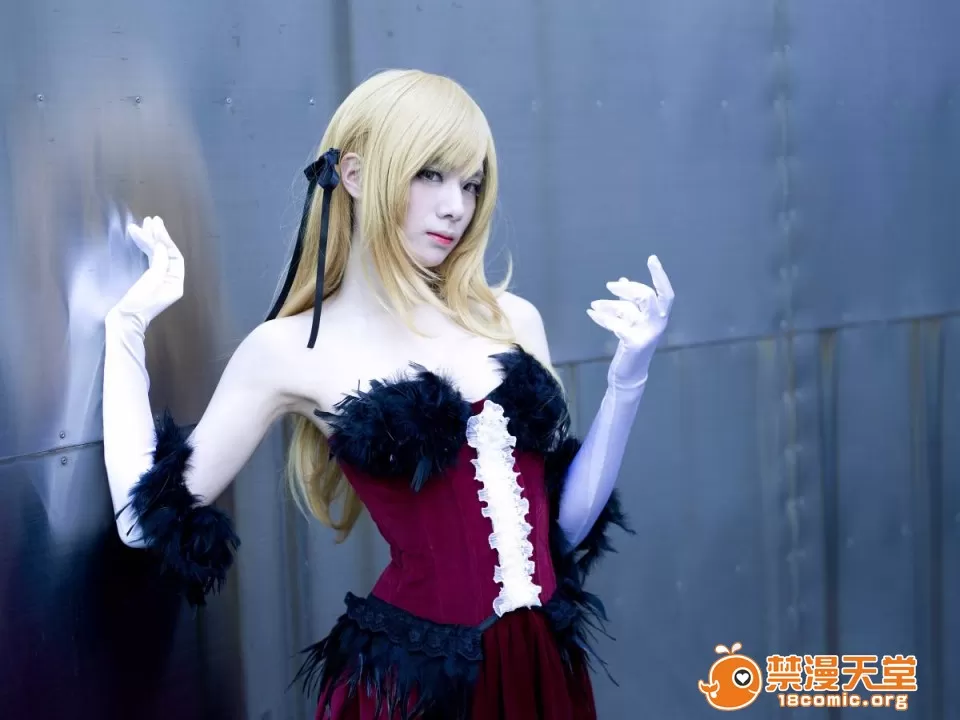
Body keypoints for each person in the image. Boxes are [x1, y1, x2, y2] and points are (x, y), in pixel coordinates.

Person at [102, 68, 674, 720]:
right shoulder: (290, 350)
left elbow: (563, 530)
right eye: (430, 174)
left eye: (471, 184)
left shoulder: (512, 320)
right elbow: (142, 522)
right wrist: (126, 328)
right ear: (353, 174)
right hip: (416, 692)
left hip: (540, 673)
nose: (455, 206)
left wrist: (628, 379)